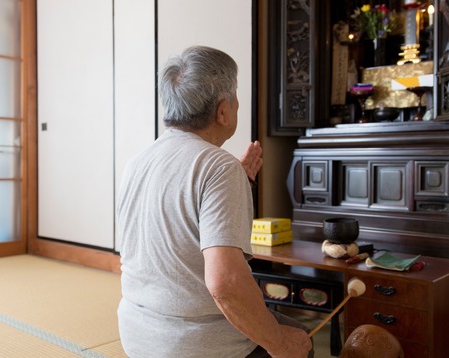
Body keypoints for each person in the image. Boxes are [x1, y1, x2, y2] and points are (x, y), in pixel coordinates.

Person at [117, 45, 313, 357]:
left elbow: (173, 221)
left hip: (137, 333)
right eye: (235, 98)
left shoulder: (137, 162)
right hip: (192, 344)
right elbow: (225, 284)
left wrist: (237, 181)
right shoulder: (218, 167)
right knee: (301, 338)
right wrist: (280, 344)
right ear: (223, 111)